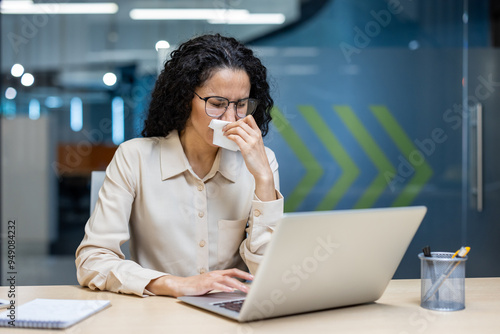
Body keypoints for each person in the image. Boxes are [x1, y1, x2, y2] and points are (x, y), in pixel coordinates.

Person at [75, 34, 284, 297]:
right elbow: (92, 261)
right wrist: (175, 284)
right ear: (184, 98)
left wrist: (264, 179)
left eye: (241, 105)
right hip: (155, 311)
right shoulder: (134, 158)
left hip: (227, 313)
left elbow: (268, 270)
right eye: (217, 104)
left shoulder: (261, 164)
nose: (231, 119)